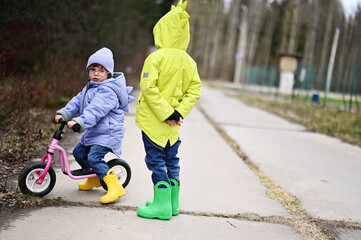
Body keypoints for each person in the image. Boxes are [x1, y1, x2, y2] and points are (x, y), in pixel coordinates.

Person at [135, 0, 202, 220]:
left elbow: (148, 87)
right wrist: (178, 112)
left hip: (155, 122)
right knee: (171, 160)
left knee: (155, 161)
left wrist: (166, 113)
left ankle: (161, 206)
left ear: (162, 31)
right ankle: (172, 204)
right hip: (174, 125)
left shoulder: (155, 58)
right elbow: (195, 90)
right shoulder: (189, 61)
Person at [55, 47, 135, 204]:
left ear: (108, 73)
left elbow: (95, 110)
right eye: (93, 69)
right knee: (78, 153)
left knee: (94, 157)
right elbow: (77, 101)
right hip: (96, 132)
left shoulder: (108, 91)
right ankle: (95, 178)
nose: (96, 73)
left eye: (101, 70)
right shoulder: (89, 87)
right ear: (88, 71)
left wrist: (80, 122)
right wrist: (65, 113)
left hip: (108, 133)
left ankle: (115, 187)